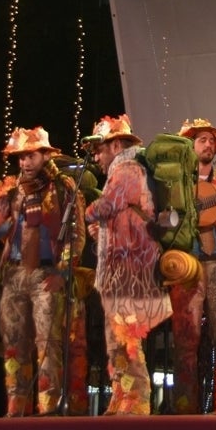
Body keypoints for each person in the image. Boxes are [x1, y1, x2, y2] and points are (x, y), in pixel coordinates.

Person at [0, 126, 86, 416]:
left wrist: (63, 272)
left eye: (30, 156)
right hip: (15, 274)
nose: (25, 163)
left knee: (48, 343)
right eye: (20, 158)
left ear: (45, 155)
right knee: (13, 342)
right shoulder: (12, 189)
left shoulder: (63, 186)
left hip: (47, 274)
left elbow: (76, 234)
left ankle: (47, 406)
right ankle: (16, 404)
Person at [83, 114, 171, 416]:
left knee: (127, 336)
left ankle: (137, 403)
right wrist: (101, 231)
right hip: (120, 270)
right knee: (116, 339)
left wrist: (88, 211)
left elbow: (108, 204)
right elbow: (118, 215)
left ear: (116, 144)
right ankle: (121, 398)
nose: (95, 156)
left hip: (132, 270)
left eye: (100, 148)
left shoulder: (128, 169)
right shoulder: (121, 172)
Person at [168, 118, 216, 414]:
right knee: (185, 341)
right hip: (187, 267)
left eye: (212, 141)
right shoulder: (177, 183)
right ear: (190, 146)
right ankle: (185, 413)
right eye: (202, 140)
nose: (208, 145)